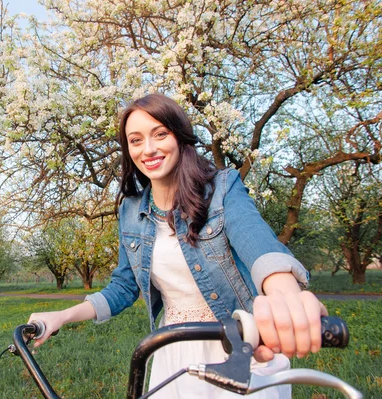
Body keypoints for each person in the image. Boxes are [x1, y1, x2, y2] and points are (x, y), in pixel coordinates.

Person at [28, 93, 327, 398]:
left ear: (180, 136)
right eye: (136, 140)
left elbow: (257, 240)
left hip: (239, 345)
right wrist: (62, 316)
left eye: (160, 134)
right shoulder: (131, 211)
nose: (149, 149)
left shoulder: (222, 188)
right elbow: (123, 288)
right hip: (173, 348)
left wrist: (284, 294)